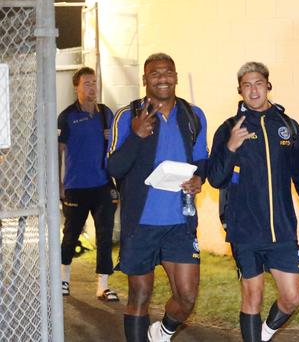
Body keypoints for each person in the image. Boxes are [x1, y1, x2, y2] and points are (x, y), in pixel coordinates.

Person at [207, 61, 299, 342]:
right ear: (240, 91)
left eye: (258, 83)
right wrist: (231, 147)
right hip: (244, 229)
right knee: (252, 295)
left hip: (281, 230)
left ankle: (264, 333)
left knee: (292, 297)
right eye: (246, 85)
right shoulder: (228, 128)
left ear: (268, 85)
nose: (253, 89)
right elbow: (216, 178)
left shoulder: (288, 127)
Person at [107, 53, 208, 342]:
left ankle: (162, 332)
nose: (162, 78)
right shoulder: (128, 116)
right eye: (155, 73)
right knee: (140, 294)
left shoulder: (193, 115)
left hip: (180, 222)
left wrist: (199, 177)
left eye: (168, 72)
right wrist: (136, 135)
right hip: (142, 224)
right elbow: (114, 167)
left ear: (176, 77)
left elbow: (202, 159)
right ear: (144, 80)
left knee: (187, 297)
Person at [58, 66, 119, 301]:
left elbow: (119, 145)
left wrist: (111, 137)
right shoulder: (67, 116)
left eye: (94, 83)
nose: (92, 88)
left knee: (105, 235)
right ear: (77, 88)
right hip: (75, 186)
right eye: (87, 84)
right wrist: (59, 184)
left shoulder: (106, 113)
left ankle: (103, 286)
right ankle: (63, 281)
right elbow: (59, 151)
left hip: (103, 185)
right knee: (71, 234)